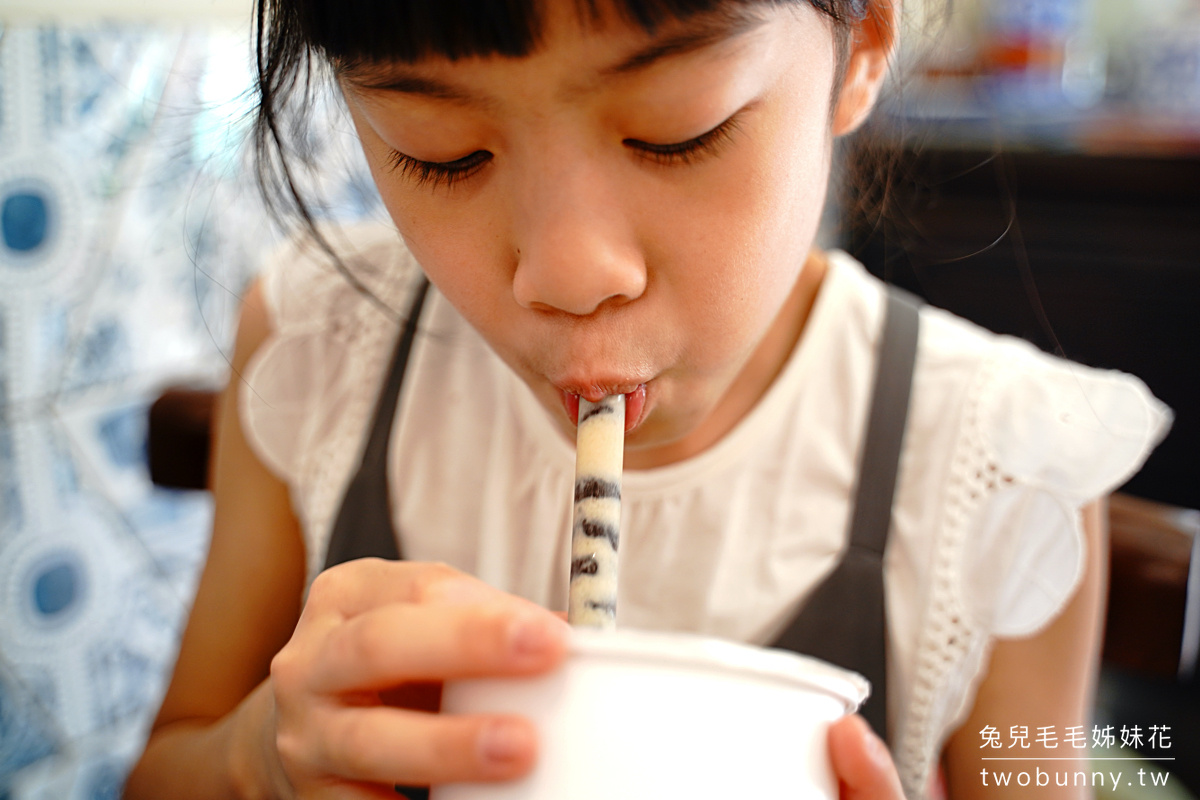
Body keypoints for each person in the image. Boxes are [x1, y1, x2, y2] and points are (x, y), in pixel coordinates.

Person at [124, 0, 1171, 798]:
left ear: (861, 47)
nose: (571, 273)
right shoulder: (320, 345)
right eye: (439, 152)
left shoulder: (1004, 464)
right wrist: (262, 756)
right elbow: (165, 767)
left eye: (677, 132)